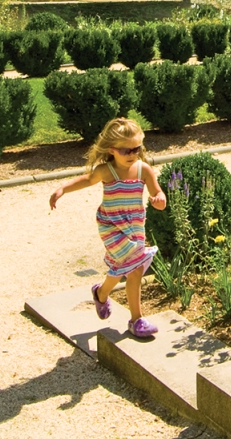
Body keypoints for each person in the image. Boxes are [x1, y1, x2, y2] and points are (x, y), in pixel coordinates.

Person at [48, 118, 166, 338]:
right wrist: (63, 188)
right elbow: (86, 179)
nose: (132, 154)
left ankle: (102, 293)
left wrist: (159, 199)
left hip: (135, 226)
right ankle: (137, 318)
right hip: (110, 225)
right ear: (112, 150)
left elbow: (157, 192)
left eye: (136, 149)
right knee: (133, 264)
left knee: (133, 268)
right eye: (126, 150)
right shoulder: (106, 170)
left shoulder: (144, 170)